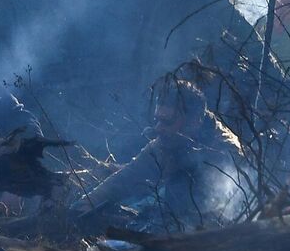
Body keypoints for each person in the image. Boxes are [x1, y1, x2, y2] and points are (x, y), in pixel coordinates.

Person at [71, 78, 247, 232]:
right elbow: (127, 177)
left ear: (194, 122)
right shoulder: (166, 142)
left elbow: (227, 205)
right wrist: (86, 204)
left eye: (167, 121)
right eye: (157, 120)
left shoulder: (226, 150)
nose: (158, 128)